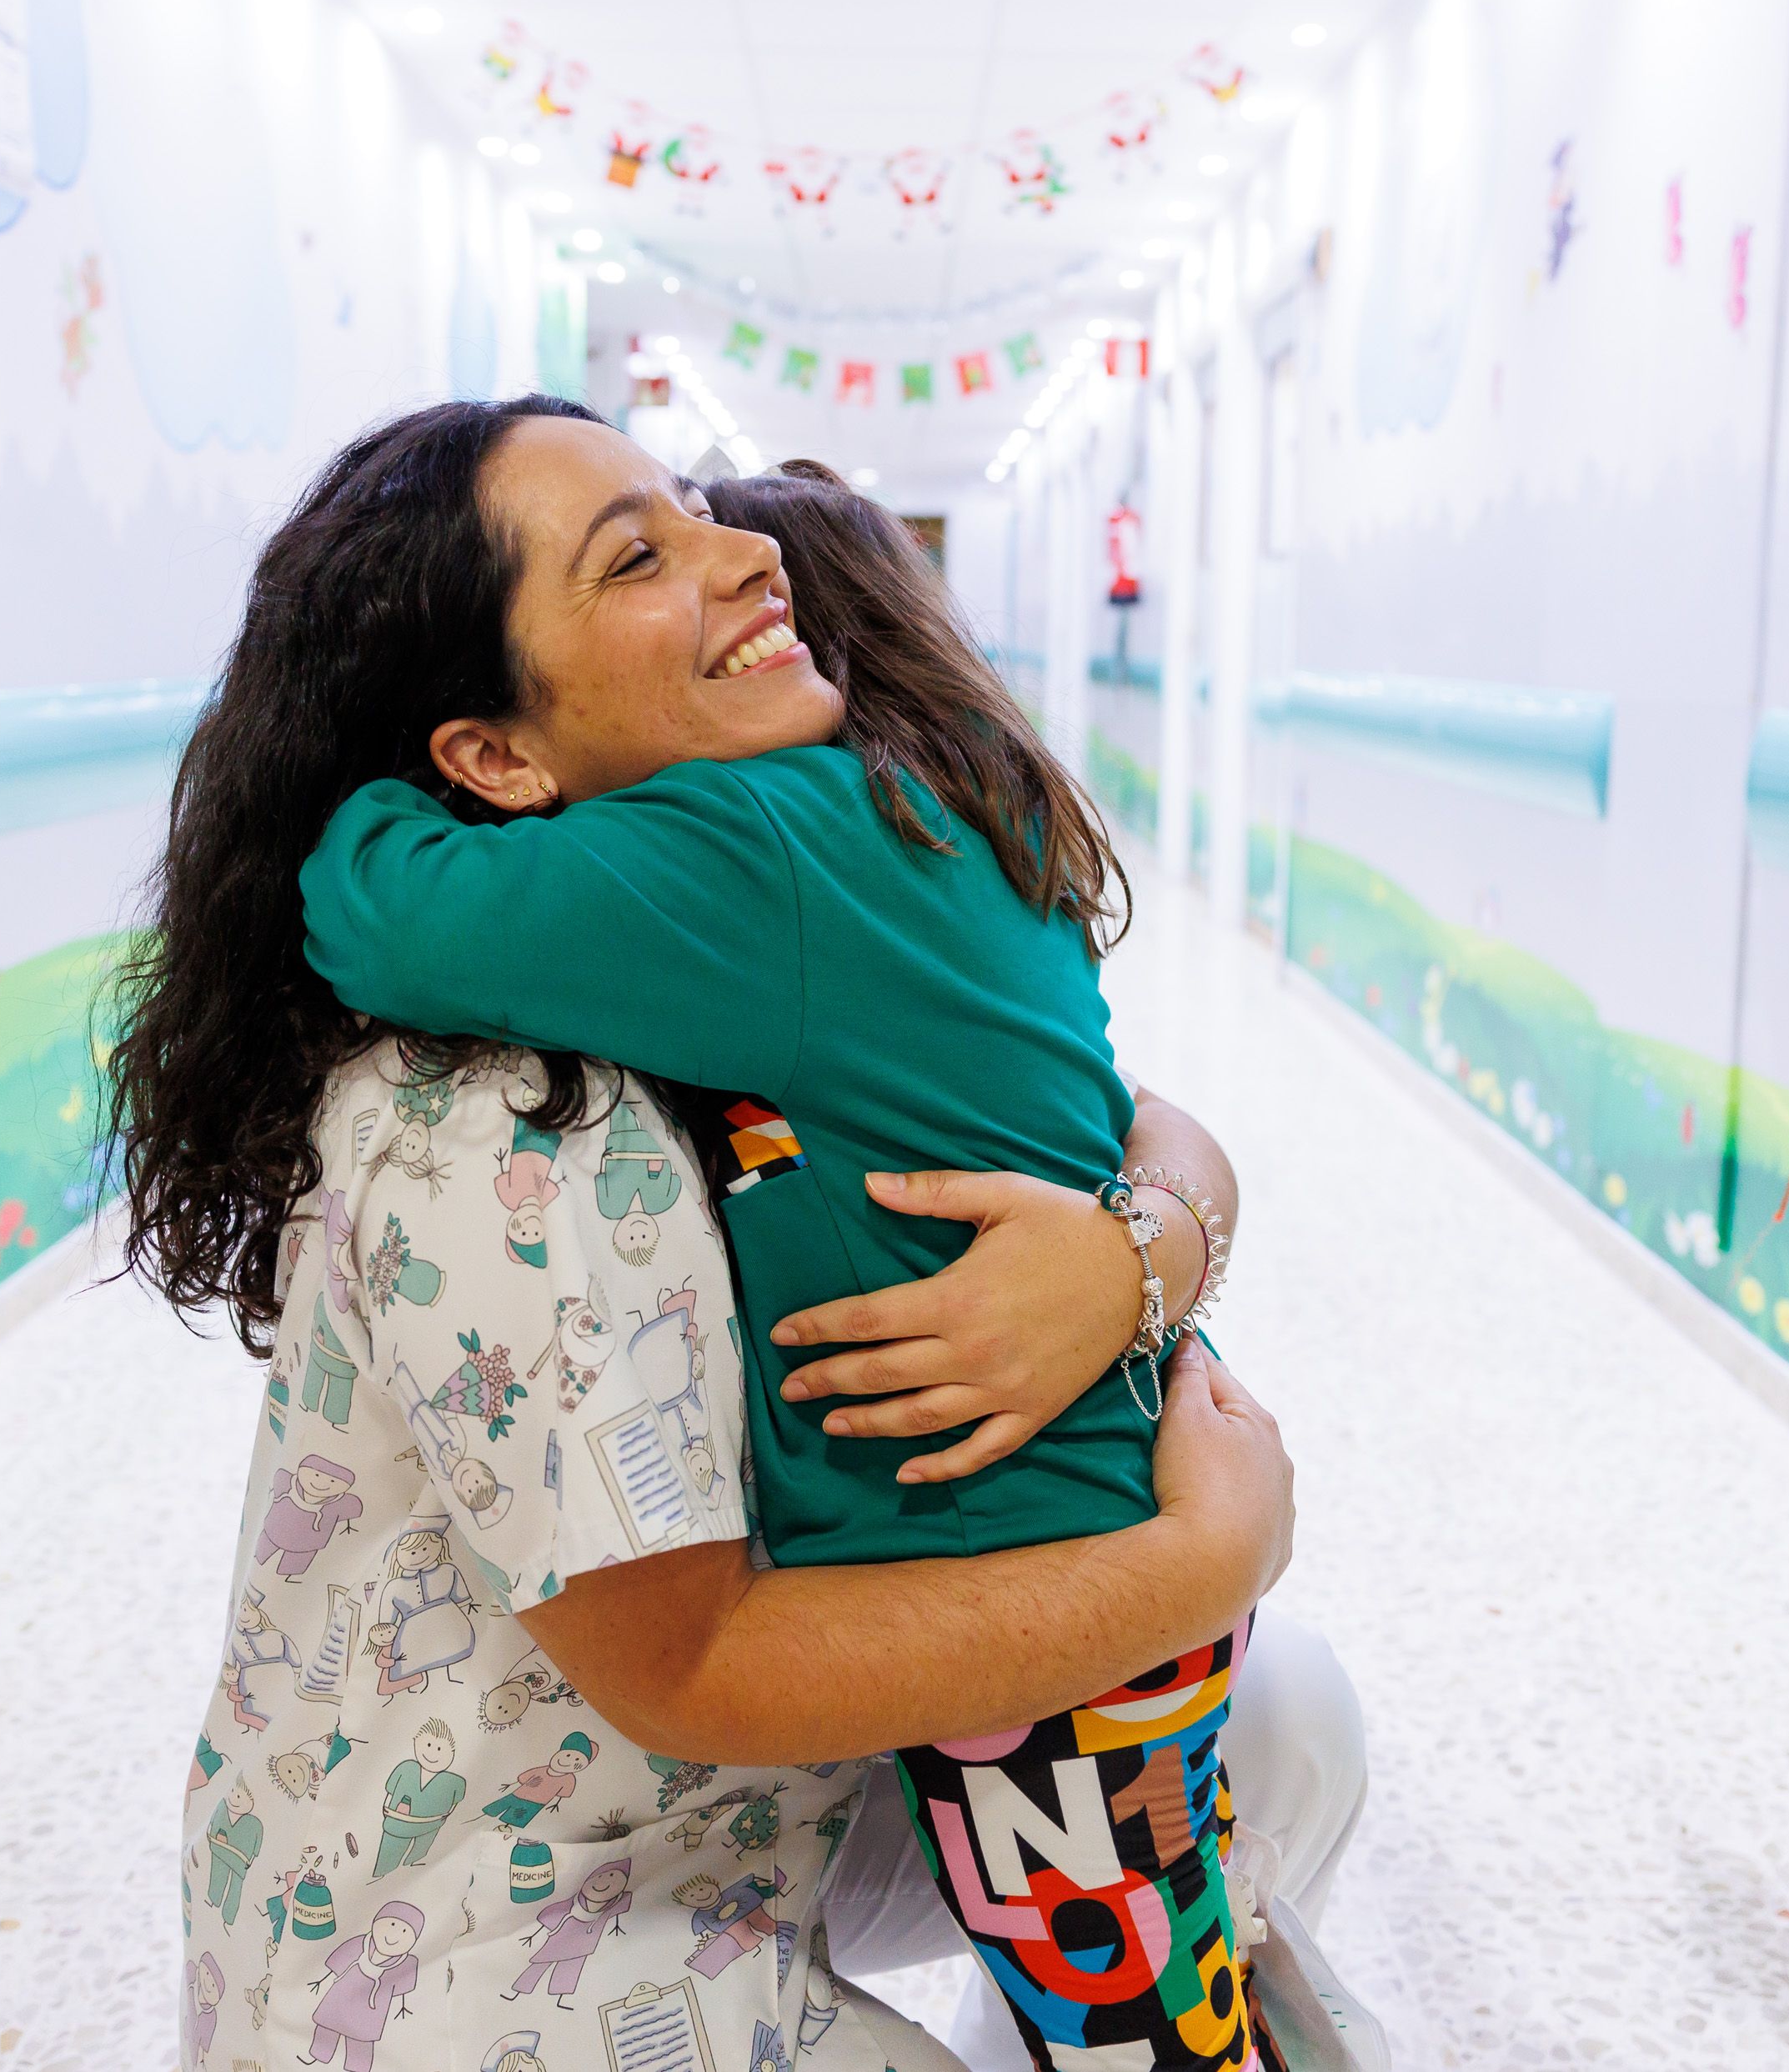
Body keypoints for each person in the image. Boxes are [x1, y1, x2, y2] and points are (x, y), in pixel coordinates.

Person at [109, 395, 1358, 2072]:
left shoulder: (703, 947)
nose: (748, 550)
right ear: (492, 756)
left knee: (1258, 1764)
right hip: (504, 1939)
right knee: (1146, 1970)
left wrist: (1141, 1250)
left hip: (750, 1806)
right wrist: (1202, 1557)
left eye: (700, 512)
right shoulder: (511, 1105)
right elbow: (689, 1663)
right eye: (636, 555)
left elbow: (1124, 1115)